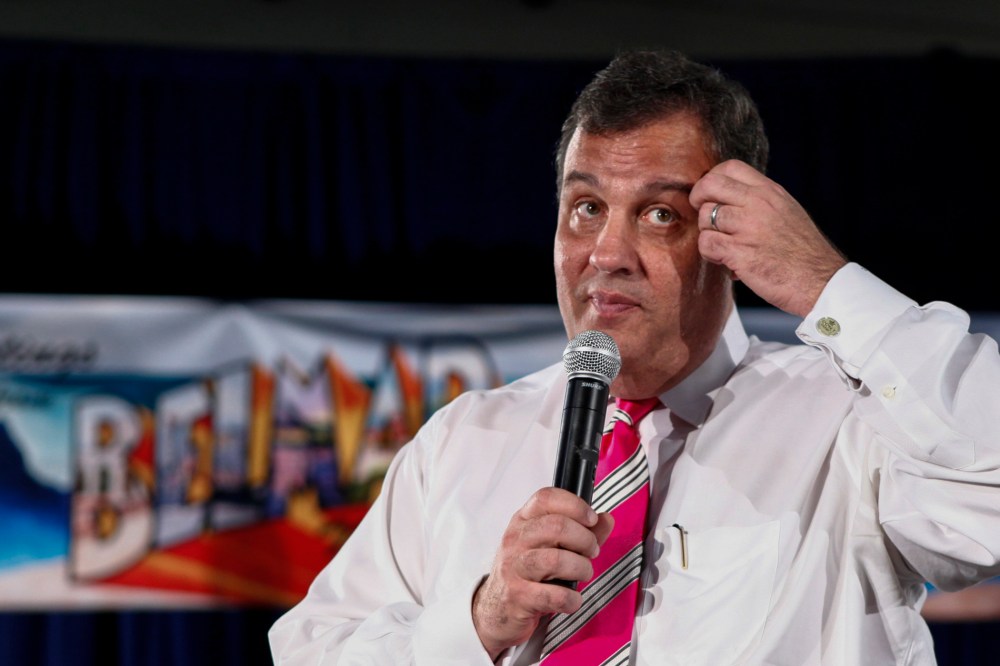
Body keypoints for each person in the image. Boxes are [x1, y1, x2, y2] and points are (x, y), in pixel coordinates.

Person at [268, 49, 1000, 665]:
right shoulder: (467, 439)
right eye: (586, 207)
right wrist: (479, 620)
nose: (606, 254)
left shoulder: (851, 419)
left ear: (731, 237)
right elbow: (311, 650)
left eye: (659, 214)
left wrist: (825, 283)